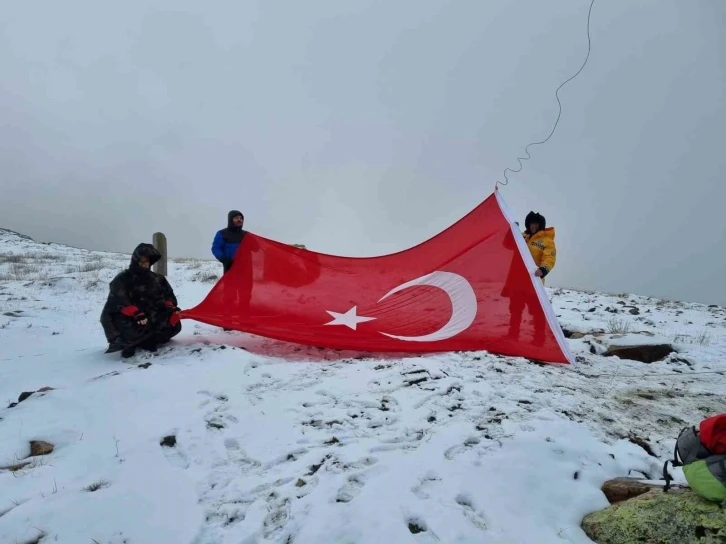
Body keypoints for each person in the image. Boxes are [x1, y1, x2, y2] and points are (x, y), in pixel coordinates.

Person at [100, 243, 182, 358]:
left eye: (147, 262)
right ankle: (129, 343)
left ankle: (149, 340)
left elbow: (168, 296)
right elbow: (118, 300)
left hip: (150, 318)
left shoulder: (157, 279)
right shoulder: (122, 279)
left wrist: (171, 307)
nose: (145, 265)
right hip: (132, 318)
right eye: (142, 262)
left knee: (174, 324)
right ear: (135, 260)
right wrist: (135, 312)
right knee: (124, 324)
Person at [505, 211, 557, 346]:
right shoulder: (522, 236)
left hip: (533, 283)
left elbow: (549, 258)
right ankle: (513, 335)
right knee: (515, 309)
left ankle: (539, 339)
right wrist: (511, 231)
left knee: (536, 311)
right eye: (531, 223)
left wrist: (543, 269)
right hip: (517, 281)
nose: (533, 226)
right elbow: (508, 244)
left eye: (535, 223)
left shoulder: (547, 241)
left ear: (540, 225)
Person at [212, 210, 247, 274]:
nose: (239, 220)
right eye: (236, 218)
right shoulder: (222, 233)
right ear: (230, 219)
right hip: (229, 265)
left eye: (241, 218)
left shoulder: (246, 234)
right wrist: (223, 258)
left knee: (246, 284)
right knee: (230, 284)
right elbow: (216, 248)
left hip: (246, 266)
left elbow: (255, 247)